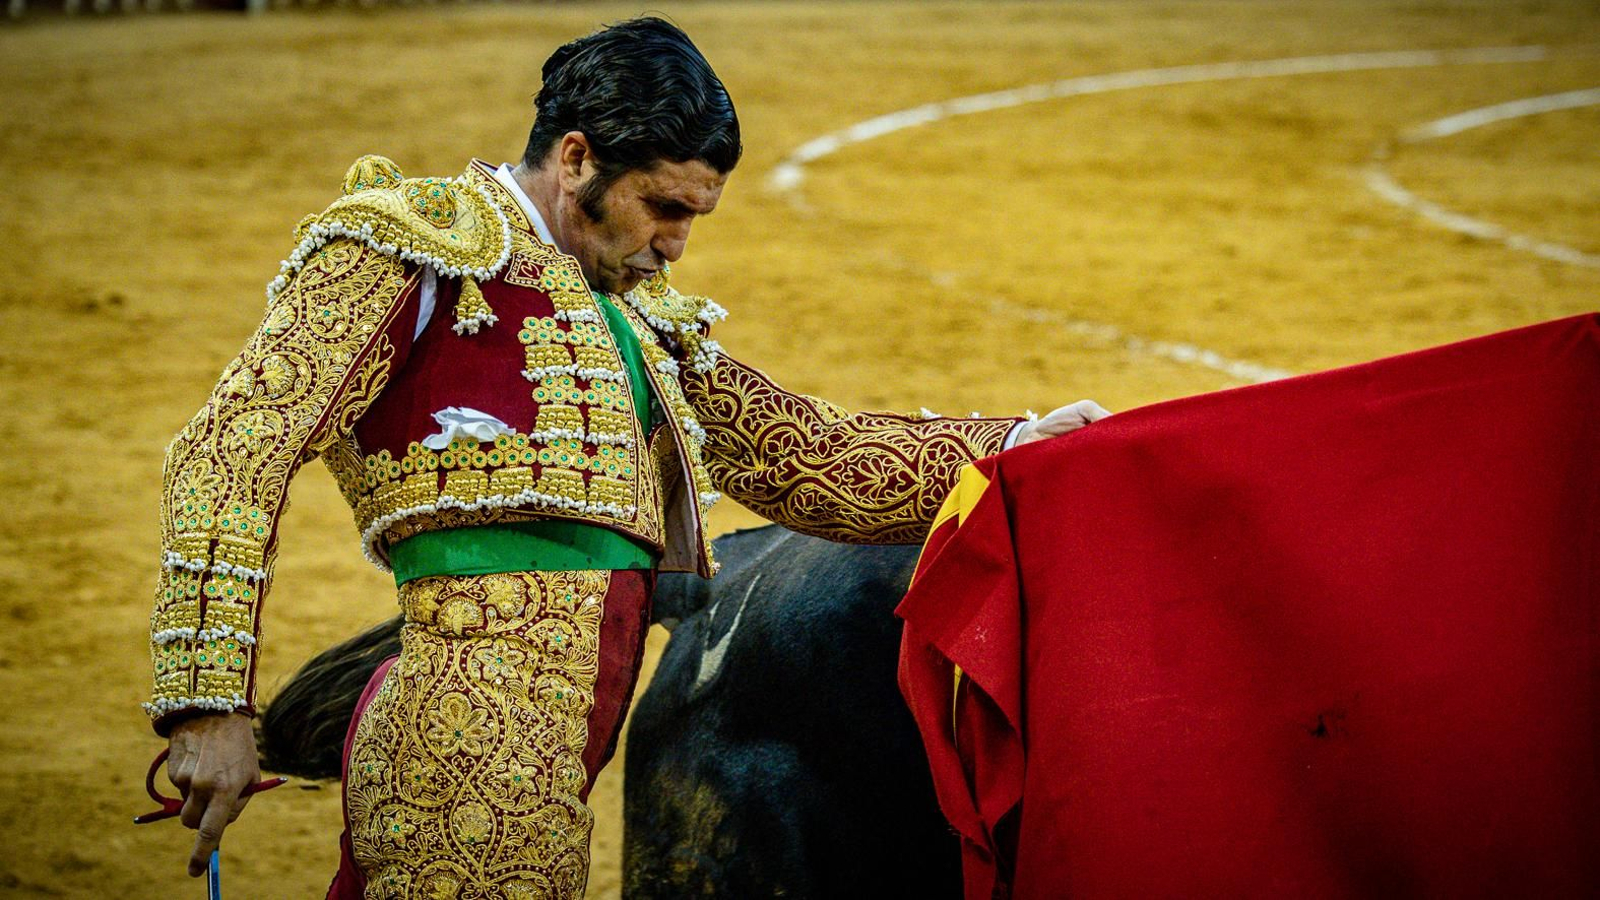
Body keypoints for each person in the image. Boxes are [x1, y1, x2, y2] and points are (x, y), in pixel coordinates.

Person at [145, 16, 1109, 899]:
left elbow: (801, 454)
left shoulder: (636, 318)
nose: (677, 243)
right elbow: (228, 452)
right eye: (661, 206)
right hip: (459, 754)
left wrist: (1017, 447)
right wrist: (206, 707)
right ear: (576, 160)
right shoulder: (411, 253)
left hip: (560, 761)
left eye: (695, 215)